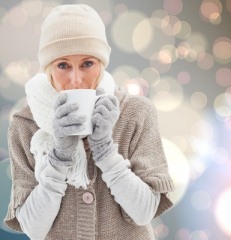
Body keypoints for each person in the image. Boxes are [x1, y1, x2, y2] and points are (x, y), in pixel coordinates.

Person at [4, 4, 174, 240]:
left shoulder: (136, 112)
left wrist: (105, 151)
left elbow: (144, 212)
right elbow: (33, 228)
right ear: (48, 68)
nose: (76, 80)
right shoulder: (25, 125)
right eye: (63, 65)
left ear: (102, 64)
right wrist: (59, 157)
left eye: (87, 63)